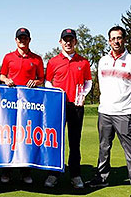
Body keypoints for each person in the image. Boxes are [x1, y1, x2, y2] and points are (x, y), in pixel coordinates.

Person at [44, 28, 92, 189]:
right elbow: (48, 81)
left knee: (75, 142)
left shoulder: (83, 62)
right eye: (65, 39)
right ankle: (53, 173)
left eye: (71, 39)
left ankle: (75, 175)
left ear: (75, 42)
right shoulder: (53, 61)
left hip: (76, 106)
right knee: (55, 141)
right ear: (60, 42)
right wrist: (55, 93)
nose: (68, 42)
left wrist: (83, 94)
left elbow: (88, 82)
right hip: (58, 106)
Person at [0, 27, 45, 184]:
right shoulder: (8, 57)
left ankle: (26, 171)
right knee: (9, 135)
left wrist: (36, 82)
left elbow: (42, 79)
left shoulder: (37, 59)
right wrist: (5, 80)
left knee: (25, 136)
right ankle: (7, 170)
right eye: (19, 38)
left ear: (29, 40)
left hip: (29, 104)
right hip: (10, 103)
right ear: (15, 40)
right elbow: (2, 75)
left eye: (25, 38)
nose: (22, 40)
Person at [87, 26, 131, 187]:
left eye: (119, 38)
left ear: (124, 39)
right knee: (103, 147)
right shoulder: (103, 61)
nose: (116, 41)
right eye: (113, 38)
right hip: (105, 112)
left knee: (129, 150)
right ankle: (102, 178)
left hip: (125, 112)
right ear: (109, 41)